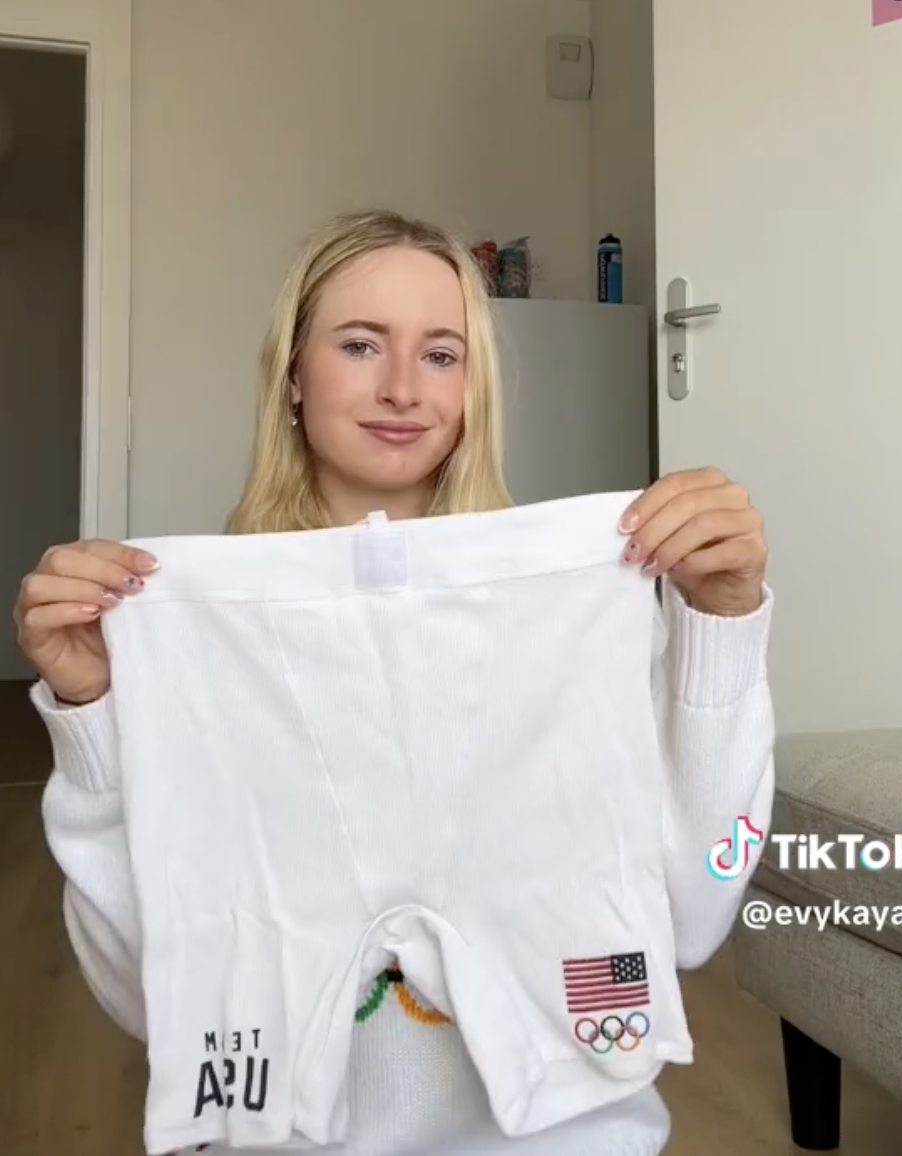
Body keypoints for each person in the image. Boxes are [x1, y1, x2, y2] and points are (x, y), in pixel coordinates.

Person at [14, 209, 775, 1156]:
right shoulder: (195, 641)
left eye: (443, 354)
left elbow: (695, 913)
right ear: (293, 374)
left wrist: (723, 626)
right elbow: (145, 993)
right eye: (361, 344)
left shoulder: (573, 611)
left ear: (475, 390)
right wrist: (93, 722)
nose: (404, 389)